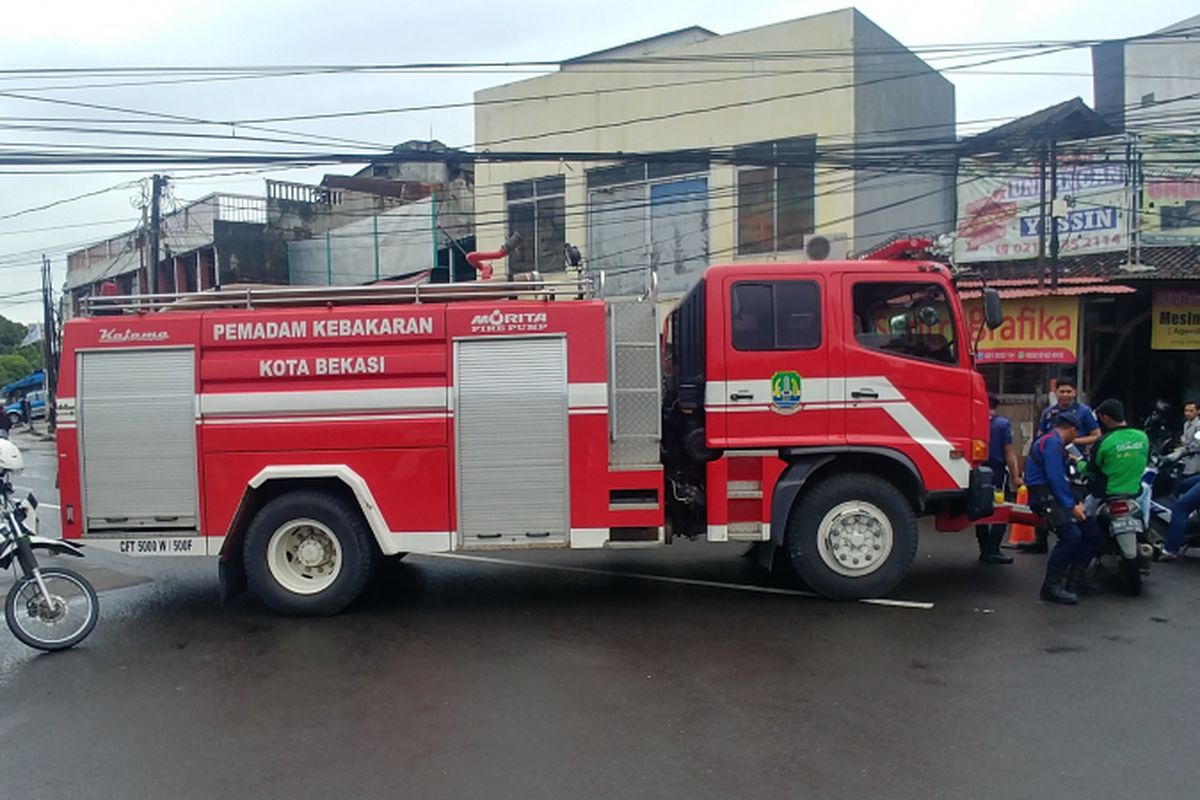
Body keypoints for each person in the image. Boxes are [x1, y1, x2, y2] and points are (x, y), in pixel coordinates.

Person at [1073, 400, 1150, 592]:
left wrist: (1078, 462)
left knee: (1083, 525)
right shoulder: (1142, 437)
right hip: (1133, 494)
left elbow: (1091, 469)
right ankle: (1146, 532)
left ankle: (1077, 572)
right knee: (1147, 494)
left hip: (1105, 495)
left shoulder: (1104, 441)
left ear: (1106, 418)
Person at [1019, 379, 1101, 554]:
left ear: (1074, 393)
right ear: (1055, 393)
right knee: (1051, 499)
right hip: (1052, 456)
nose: (1065, 395)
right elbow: (1041, 434)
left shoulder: (1084, 411)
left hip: (1075, 459)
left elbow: (1096, 436)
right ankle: (1041, 541)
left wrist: (1072, 441)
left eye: (1068, 391)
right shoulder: (1049, 412)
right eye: (1062, 391)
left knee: (1072, 495)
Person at [1024, 413, 1096, 605]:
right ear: (1072, 429)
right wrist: (1070, 505)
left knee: (1088, 533)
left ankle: (1073, 581)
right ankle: (1051, 587)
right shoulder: (1052, 444)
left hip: (1053, 494)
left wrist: (1075, 499)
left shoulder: (1055, 443)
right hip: (1045, 495)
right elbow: (1055, 477)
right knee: (1070, 536)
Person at [976, 392, 1021, 564]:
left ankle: (984, 548)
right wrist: (1016, 476)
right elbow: (1009, 452)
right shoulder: (1002, 424)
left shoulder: (973, 420)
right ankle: (992, 549)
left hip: (976, 471)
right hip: (996, 472)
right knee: (1001, 510)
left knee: (979, 508)